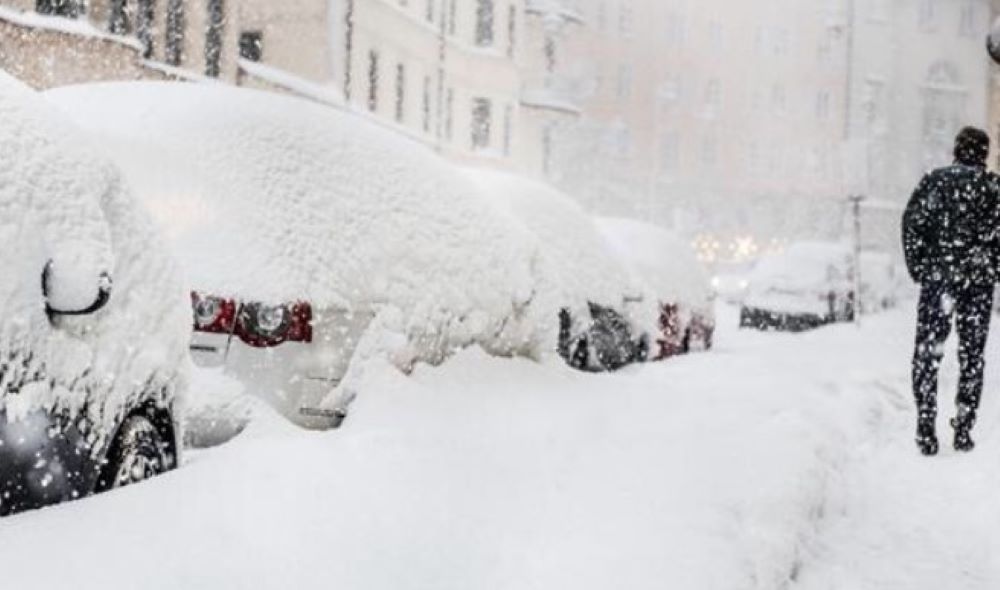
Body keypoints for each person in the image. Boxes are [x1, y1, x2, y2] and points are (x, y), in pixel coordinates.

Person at [902, 126, 1000, 456]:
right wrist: (992, 267)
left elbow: (912, 223)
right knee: (972, 357)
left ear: (956, 150)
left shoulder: (936, 181)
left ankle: (925, 426)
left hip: (939, 279)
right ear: (984, 154)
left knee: (928, 354)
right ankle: (963, 427)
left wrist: (921, 267)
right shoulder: (993, 189)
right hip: (979, 282)